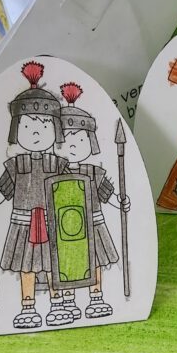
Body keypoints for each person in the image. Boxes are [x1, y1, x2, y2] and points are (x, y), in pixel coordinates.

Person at [0, 61, 74, 329]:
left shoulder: (59, 164)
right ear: (16, 130)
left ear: (54, 131)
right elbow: (3, 190)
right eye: (28, 126)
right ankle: (28, 306)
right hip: (23, 224)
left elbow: (71, 192)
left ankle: (57, 303)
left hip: (53, 223)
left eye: (43, 126)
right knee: (27, 266)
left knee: (53, 263)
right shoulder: (16, 165)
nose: (35, 132)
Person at [53, 83, 130, 319]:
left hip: (93, 225)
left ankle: (96, 297)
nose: (73, 145)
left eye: (80, 139)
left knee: (94, 260)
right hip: (65, 229)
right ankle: (69, 300)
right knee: (67, 261)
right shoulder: (54, 173)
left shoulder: (93, 172)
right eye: (66, 140)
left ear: (90, 142)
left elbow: (107, 195)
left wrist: (120, 203)